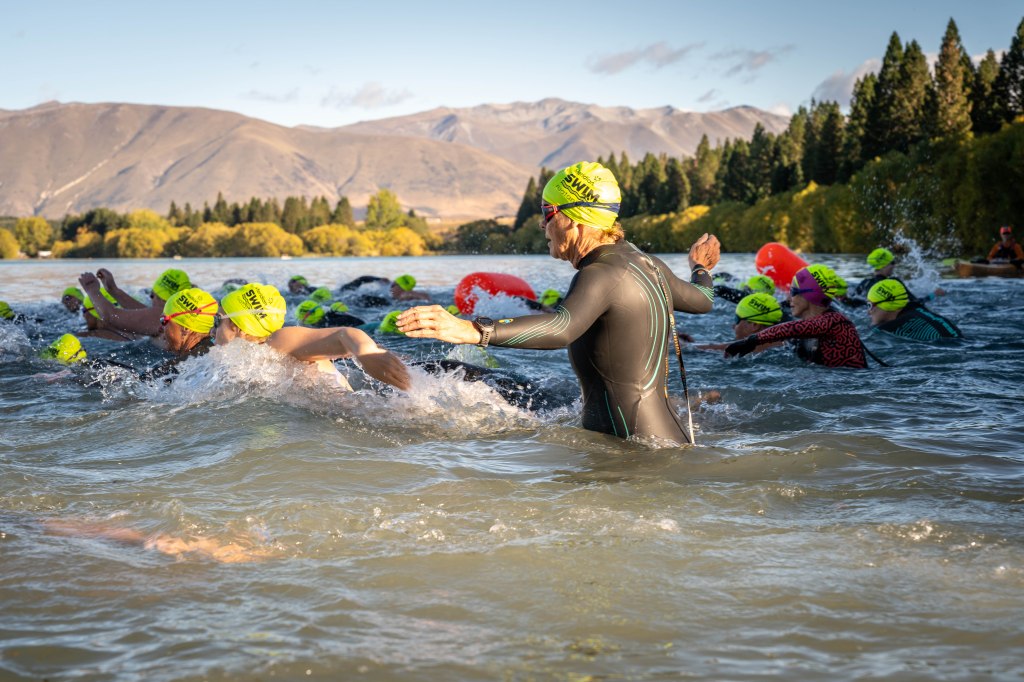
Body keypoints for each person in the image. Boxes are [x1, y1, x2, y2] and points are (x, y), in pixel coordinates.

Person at [398, 161, 720, 444]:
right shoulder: (645, 263)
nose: (542, 224)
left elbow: (562, 326)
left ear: (575, 220)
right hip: (667, 440)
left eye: (547, 213)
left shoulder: (601, 273)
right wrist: (700, 268)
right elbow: (703, 299)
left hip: (631, 458)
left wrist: (471, 329)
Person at [214, 283, 410, 391]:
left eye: (218, 320)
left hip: (359, 421)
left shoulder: (278, 341)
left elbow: (345, 334)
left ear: (238, 326)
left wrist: (367, 354)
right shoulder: (248, 356)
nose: (211, 331)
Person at [726, 264, 867, 368]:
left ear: (809, 294)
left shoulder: (835, 321)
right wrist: (713, 349)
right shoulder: (808, 329)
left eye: (793, 291)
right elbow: (770, 345)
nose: (788, 298)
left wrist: (752, 340)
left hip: (855, 387)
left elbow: (791, 329)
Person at [78, 268, 192, 337]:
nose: (151, 298)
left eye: (152, 295)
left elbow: (111, 316)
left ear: (159, 296)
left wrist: (92, 290)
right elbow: (142, 314)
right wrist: (113, 290)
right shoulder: (177, 316)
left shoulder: (162, 317)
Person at [867, 279, 963, 341]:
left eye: (870, 305)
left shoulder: (888, 328)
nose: (868, 311)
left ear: (887, 305)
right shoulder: (916, 307)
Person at [696, 293, 786, 354]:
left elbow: (727, 348)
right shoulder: (785, 344)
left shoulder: (757, 348)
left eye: (737, 320)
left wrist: (688, 346)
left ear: (755, 325)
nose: (733, 326)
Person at [853, 248, 943, 302]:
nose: (895, 265)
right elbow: (915, 303)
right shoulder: (894, 283)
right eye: (892, 262)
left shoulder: (864, 283)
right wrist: (933, 295)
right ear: (884, 265)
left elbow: (853, 303)